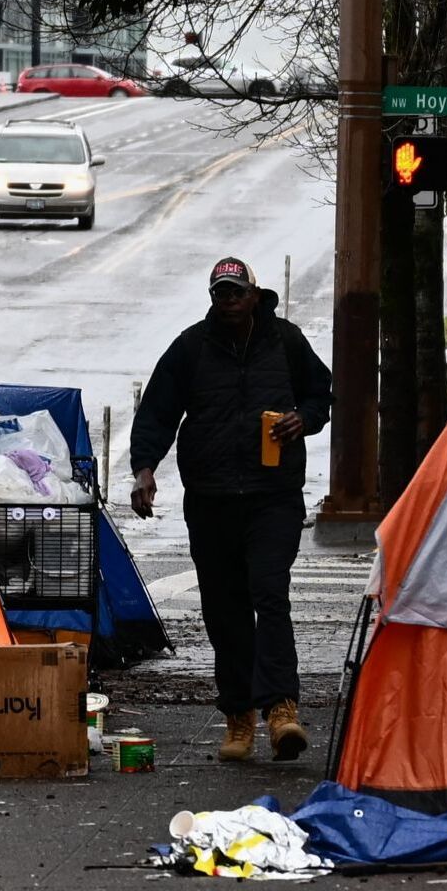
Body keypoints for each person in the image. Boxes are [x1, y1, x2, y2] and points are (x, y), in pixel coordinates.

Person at [129, 256, 332, 762]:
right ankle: (239, 716)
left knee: (270, 594)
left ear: (253, 293)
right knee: (225, 611)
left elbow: (320, 395)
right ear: (213, 297)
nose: (229, 300)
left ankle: (282, 710)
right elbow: (157, 410)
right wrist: (145, 469)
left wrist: (300, 420)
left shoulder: (285, 341)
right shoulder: (191, 347)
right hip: (212, 498)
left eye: (237, 292)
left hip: (273, 496)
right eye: (221, 293)